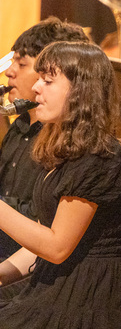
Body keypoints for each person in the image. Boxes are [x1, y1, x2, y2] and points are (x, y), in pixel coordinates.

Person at [0, 40, 121, 329]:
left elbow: (56, 246)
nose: (35, 86)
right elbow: (38, 246)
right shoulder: (62, 151)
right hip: (61, 286)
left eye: (48, 80)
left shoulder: (101, 155)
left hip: (91, 301)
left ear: (80, 91)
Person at [0, 17, 91, 263]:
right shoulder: (18, 125)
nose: (9, 72)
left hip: (32, 262)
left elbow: (43, 226)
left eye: (22, 63)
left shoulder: (68, 140)